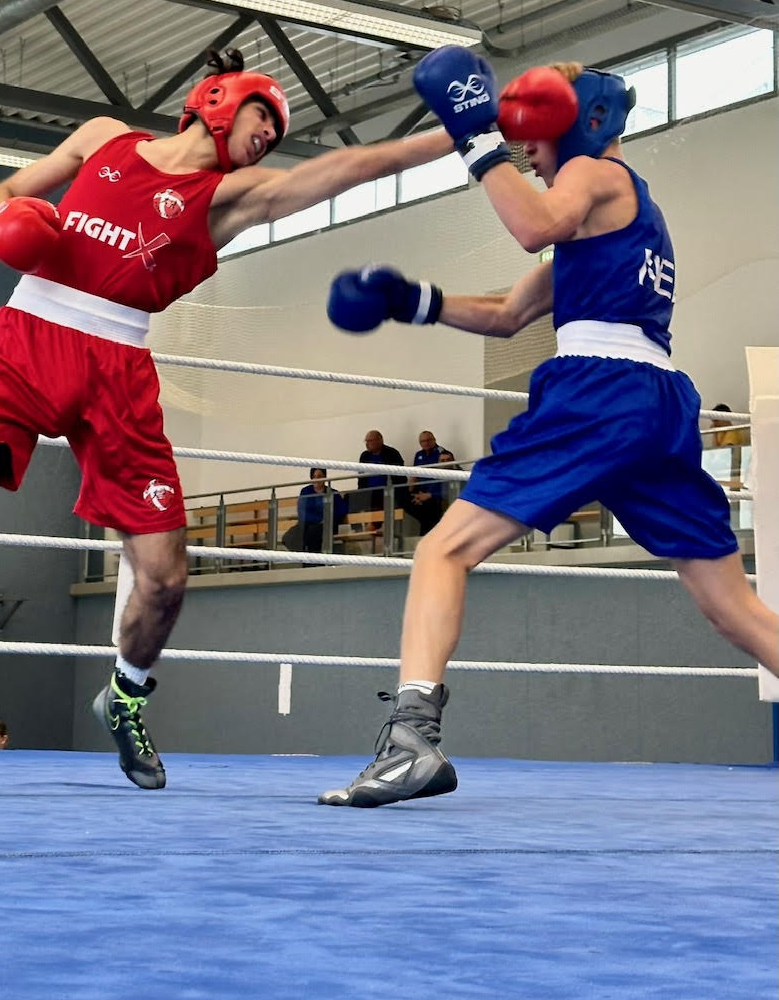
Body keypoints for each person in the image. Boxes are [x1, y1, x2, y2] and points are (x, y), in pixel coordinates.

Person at [0, 47, 455, 791]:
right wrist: (0, 223)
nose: (269, 136)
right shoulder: (101, 139)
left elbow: (344, 170)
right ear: (217, 98)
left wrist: (466, 136)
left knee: (164, 579)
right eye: (262, 117)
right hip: (26, 342)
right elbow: (10, 189)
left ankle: (124, 696)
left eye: (276, 132)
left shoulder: (229, 199)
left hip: (119, 372)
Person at [321, 47, 779, 808]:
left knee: (442, 547)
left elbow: (532, 227)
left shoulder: (596, 176)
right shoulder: (624, 212)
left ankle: (411, 741)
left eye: (535, 136)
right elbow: (507, 315)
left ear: (579, 122)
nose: (528, 154)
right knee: (733, 608)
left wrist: (475, 140)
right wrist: (416, 299)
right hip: (657, 401)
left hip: (599, 394)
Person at [408, 430, 455, 536]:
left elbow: (441, 479)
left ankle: (426, 537)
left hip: (436, 493)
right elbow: (414, 475)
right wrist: (412, 491)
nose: (426, 443)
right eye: (423, 441)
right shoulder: (419, 455)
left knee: (427, 509)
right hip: (421, 491)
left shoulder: (441, 453)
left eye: (428, 440)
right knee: (404, 499)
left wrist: (428, 495)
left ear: (434, 440)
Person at [295, 467, 348, 555]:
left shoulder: (332, 493)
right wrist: (319, 520)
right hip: (309, 525)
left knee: (312, 533)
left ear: (325, 477)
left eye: (319, 476)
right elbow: (302, 511)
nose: (317, 479)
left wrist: (327, 519)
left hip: (328, 526)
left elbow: (341, 510)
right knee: (290, 535)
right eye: (314, 476)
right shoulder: (306, 492)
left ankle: (314, 561)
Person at [355, 429, 408, 514]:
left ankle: (374, 525)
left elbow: (400, 476)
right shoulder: (365, 456)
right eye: (366, 441)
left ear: (380, 440)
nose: (367, 444)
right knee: (350, 498)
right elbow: (361, 478)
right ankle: (357, 527)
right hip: (369, 492)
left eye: (370, 441)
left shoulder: (392, 453)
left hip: (387, 491)